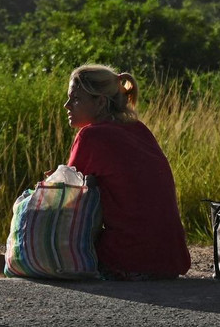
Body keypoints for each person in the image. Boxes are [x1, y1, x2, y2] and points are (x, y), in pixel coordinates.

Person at [63, 63, 191, 280]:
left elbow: (65, 199)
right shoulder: (139, 129)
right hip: (171, 261)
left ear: (100, 102)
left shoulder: (91, 136)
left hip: (127, 261)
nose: (67, 106)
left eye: (75, 99)